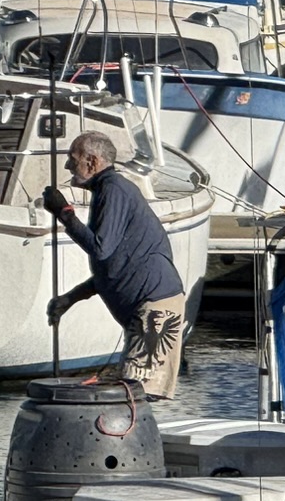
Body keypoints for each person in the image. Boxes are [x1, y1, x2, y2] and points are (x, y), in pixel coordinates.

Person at [43, 131, 188, 399]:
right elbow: (113, 265)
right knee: (131, 392)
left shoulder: (113, 189)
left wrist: (65, 214)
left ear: (91, 161)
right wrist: (70, 298)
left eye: (71, 159)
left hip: (154, 305)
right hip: (148, 305)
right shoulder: (107, 190)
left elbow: (100, 249)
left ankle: (138, 440)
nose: (67, 167)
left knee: (132, 394)